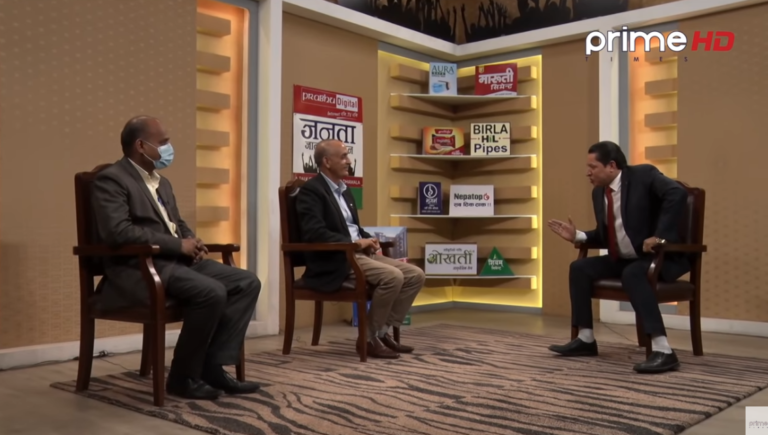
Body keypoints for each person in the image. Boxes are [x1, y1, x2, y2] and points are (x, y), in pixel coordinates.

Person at [91, 115, 262, 399]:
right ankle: (182, 377)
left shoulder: (162, 183)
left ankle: (212, 366)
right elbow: (118, 232)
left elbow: (176, 223)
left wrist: (192, 241)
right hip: (138, 268)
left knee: (246, 282)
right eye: (164, 142)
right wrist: (176, 245)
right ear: (141, 146)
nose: (169, 147)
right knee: (211, 291)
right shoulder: (112, 179)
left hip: (174, 263)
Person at [547, 141, 689, 374]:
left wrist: (660, 236)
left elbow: (677, 193)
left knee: (632, 273)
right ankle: (585, 339)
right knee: (579, 268)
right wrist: (579, 235)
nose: (588, 172)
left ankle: (663, 350)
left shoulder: (643, 175)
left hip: (658, 257)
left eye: (593, 167)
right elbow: (607, 235)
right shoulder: (598, 193)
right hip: (625, 258)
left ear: (611, 166)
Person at [295, 139, 425, 359]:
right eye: (343, 156)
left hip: (358, 253)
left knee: (415, 275)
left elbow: (351, 227)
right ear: (327, 161)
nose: (349, 161)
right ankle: (367, 338)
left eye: (348, 155)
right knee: (392, 277)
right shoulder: (312, 191)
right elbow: (314, 233)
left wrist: (367, 239)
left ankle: (380, 332)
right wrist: (355, 243)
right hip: (337, 259)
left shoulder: (345, 190)